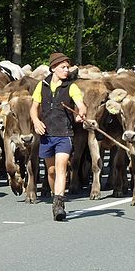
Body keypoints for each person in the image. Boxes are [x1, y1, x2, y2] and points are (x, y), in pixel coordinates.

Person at [30, 52, 87, 221]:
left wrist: (80, 114)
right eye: (63, 67)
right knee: (52, 170)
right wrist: (35, 121)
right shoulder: (42, 85)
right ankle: (56, 194)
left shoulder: (72, 87)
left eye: (67, 67)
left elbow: (81, 105)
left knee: (61, 168)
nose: (66, 70)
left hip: (64, 133)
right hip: (46, 134)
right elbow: (34, 108)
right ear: (53, 68)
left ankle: (59, 203)